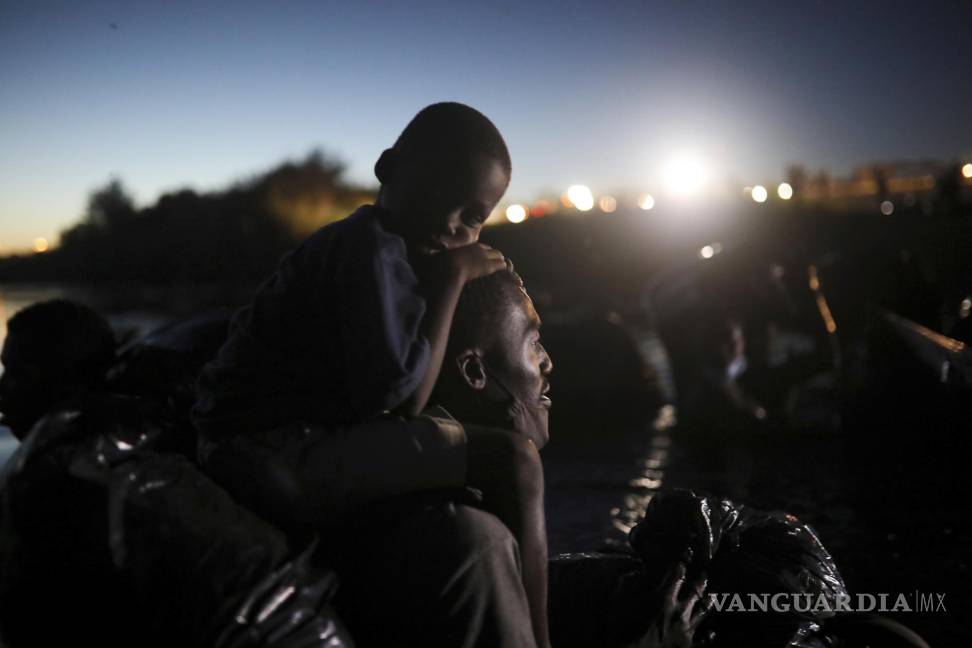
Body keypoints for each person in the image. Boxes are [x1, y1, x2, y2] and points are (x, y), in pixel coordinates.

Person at [192, 102, 555, 646]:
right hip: (268, 453)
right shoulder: (368, 247)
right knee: (514, 459)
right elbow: (396, 395)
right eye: (441, 193)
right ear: (388, 168)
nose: (453, 224)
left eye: (474, 217)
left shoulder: (387, 254)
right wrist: (454, 277)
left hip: (275, 444)